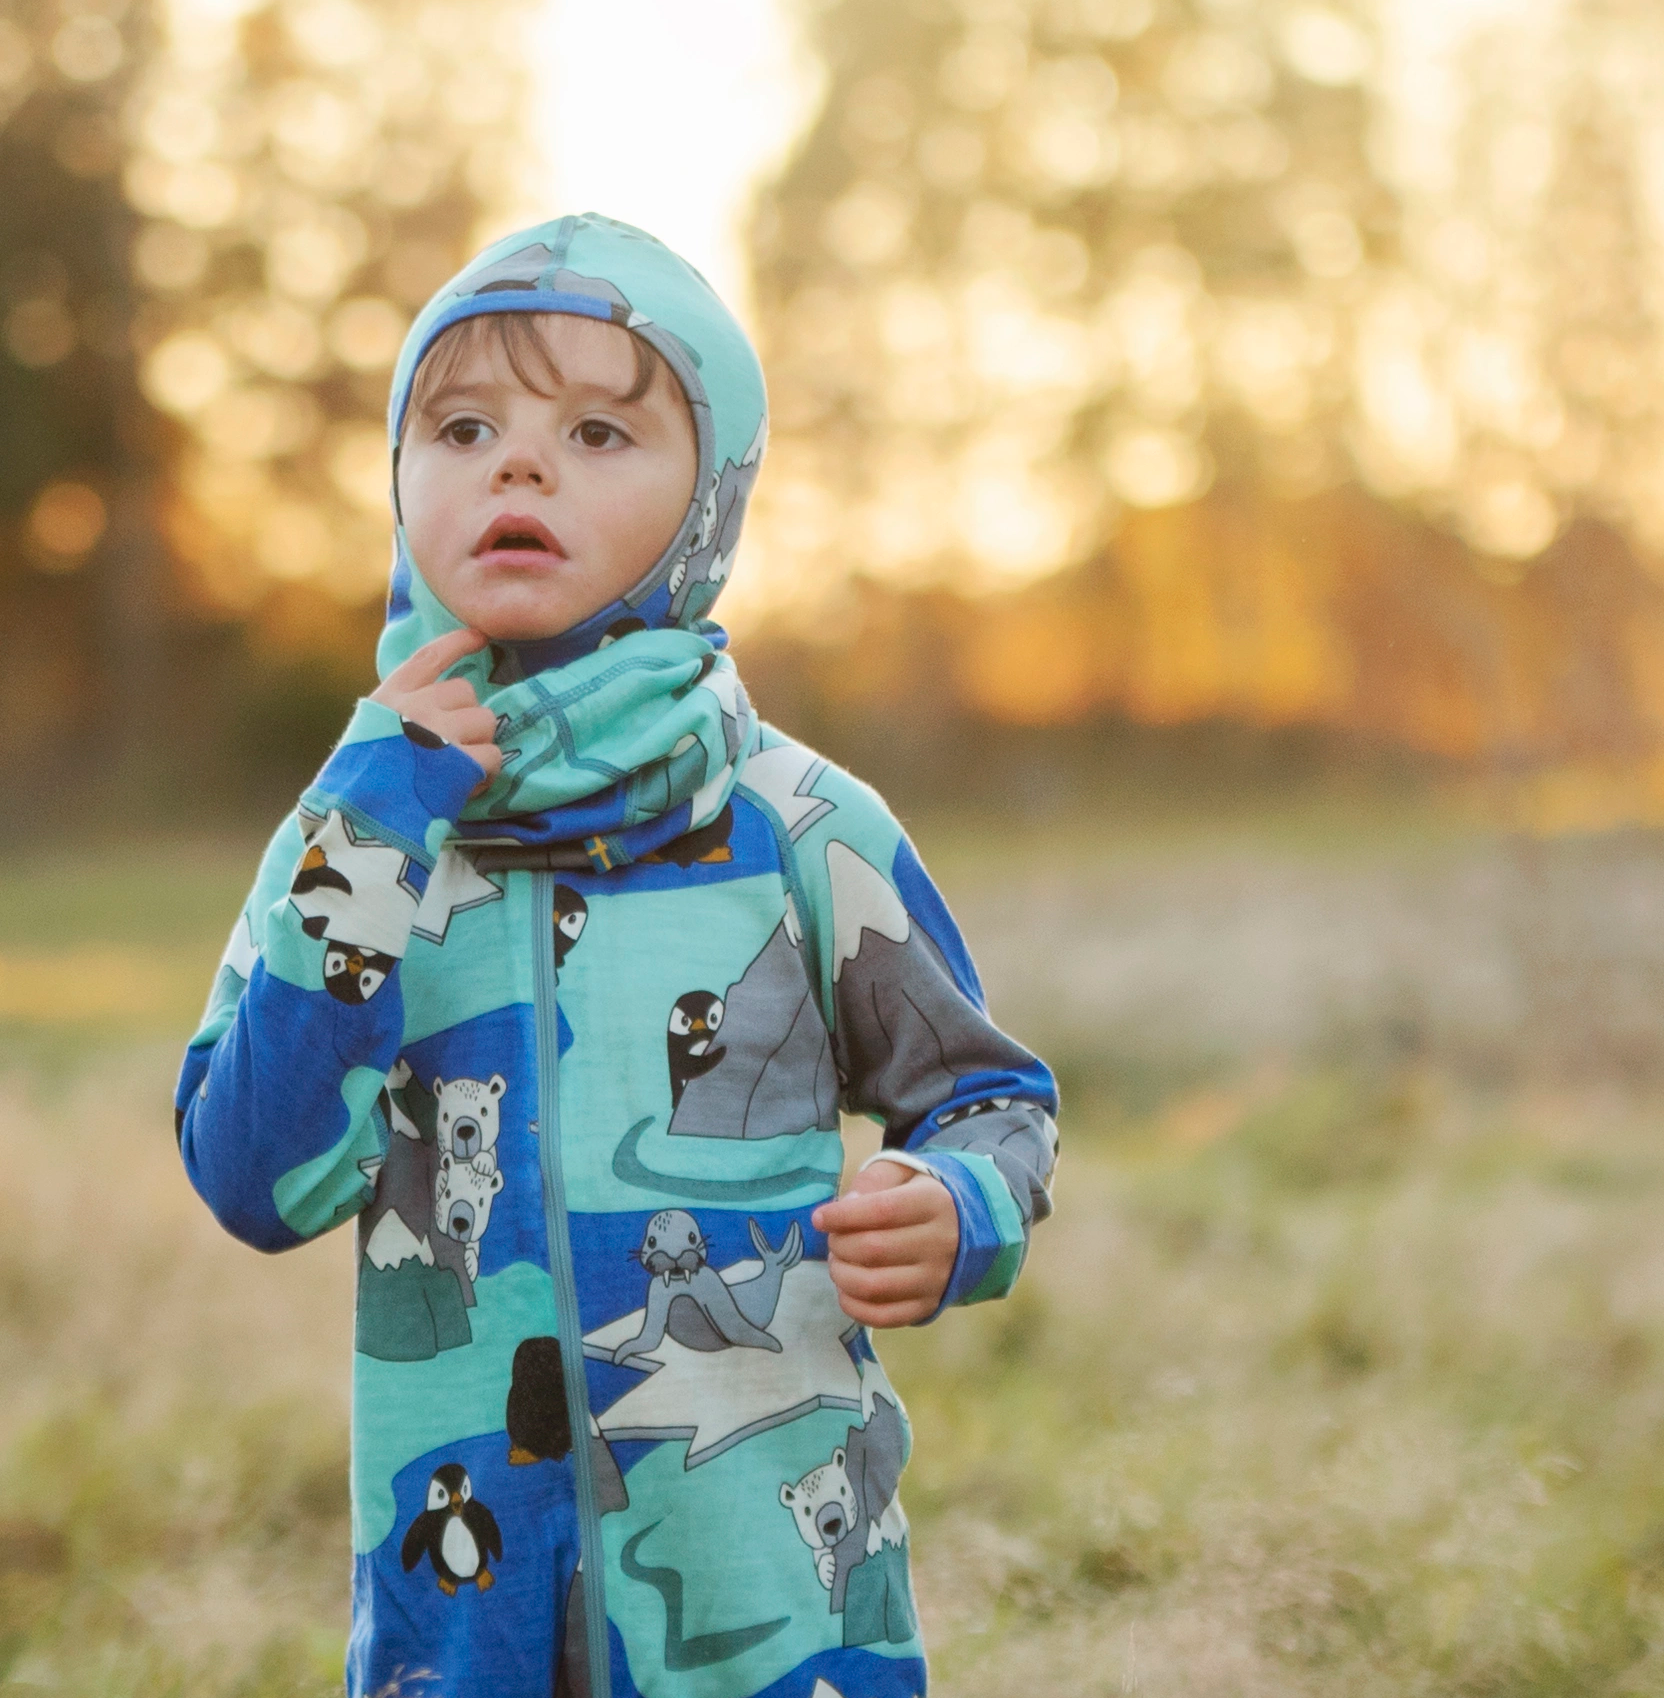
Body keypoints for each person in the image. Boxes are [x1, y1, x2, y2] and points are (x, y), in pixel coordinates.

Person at [175, 212, 1059, 1698]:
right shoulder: (352, 838)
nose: (519, 466)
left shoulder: (800, 825)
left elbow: (994, 1100)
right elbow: (254, 1182)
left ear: (708, 499)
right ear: (401, 481)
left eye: (598, 430)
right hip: (466, 1625)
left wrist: (957, 1200)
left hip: (772, 1606)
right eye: (463, 425)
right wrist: (377, 827)